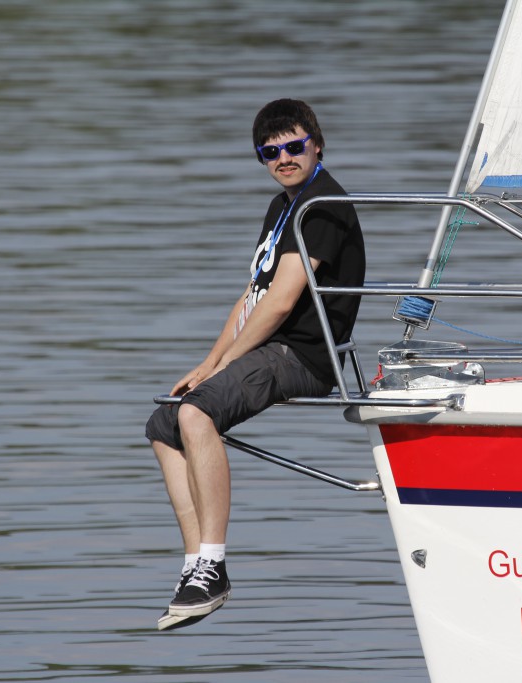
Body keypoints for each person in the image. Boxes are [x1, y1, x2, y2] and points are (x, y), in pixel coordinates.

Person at [145, 99, 366, 630]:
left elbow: (282, 302)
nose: (283, 158)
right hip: (269, 347)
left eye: (294, 146)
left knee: (196, 413)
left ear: (317, 145)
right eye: (270, 152)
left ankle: (214, 565)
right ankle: (195, 564)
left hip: (305, 355)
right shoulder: (283, 206)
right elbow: (253, 295)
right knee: (164, 422)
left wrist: (227, 363)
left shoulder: (322, 206)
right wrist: (209, 362)